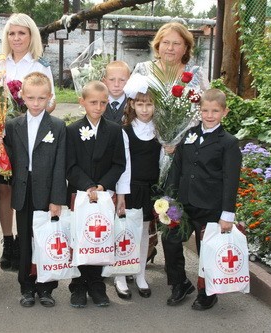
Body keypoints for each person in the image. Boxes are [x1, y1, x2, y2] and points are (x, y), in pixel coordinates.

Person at [163, 88, 242, 310]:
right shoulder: (189, 135)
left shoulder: (228, 142)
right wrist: (169, 199)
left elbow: (230, 179)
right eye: (205, 110)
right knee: (170, 238)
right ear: (200, 110)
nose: (209, 115)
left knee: (205, 249)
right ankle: (179, 283)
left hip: (211, 206)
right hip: (184, 204)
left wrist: (227, 214)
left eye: (215, 111)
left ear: (224, 112)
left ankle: (208, 291)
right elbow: (176, 168)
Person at [0, 72, 66, 307]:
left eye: (41, 99)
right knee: (25, 240)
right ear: (22, 96)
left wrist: (57, 199)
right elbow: (8, 158)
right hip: (23, 190)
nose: (35, 103)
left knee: (45, 240)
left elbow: (60, 165)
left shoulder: (57, 125)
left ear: (49, 98)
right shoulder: (13, 125)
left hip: (46, 191)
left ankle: (46, 287)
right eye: (31, 98)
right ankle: (26, 286)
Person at [0, 13, 57, 272]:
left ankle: (25, 240)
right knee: (3, 189)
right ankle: (9, 242)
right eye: (11, 33)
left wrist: (26, 115)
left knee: (26, 188)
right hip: (2, 136)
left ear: (32, 36)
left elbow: (50, 102)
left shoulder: (41, 65)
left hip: (31, 136)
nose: (16, 38)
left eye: (22, 33)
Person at [66, 81, 126, 308]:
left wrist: (101, 186)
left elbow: (119, 163)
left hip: (103, 193)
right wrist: (87, 185)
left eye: (103, 102)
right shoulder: (71, 130)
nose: (98, 107)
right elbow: (69, 164)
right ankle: (78, 284)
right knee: (80, 238)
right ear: (82, 102)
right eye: (93, 102)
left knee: (99, 238)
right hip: (80, 194)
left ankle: (97, 283)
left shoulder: (114, 130)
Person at [113, 74, 168, 300]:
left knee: (144, 231)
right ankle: (119, 275)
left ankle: (139, 273)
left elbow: (163, 162)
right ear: (132, 105)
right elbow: (123, 166)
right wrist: (122, 195)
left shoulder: (161, 131)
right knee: (124, 231)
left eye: (149, 104)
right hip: (130, 188)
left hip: (150, 189)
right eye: (140, 104)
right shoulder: (125, 131)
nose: (145, 109)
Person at [133, 22, 209, 91]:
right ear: (158, 45)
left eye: (176, 43)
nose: (170, 48)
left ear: (185, 48)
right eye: (166, 42)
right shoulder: (142, 69)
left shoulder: (197, 73)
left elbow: (208, 102)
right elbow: (129, 102)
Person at [102, 60, 130, 125]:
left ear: (129, 81)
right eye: (112, 80)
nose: (116, 84)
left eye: (122, 80)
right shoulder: (98, 103)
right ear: (104, 81)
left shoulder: (133, 104)